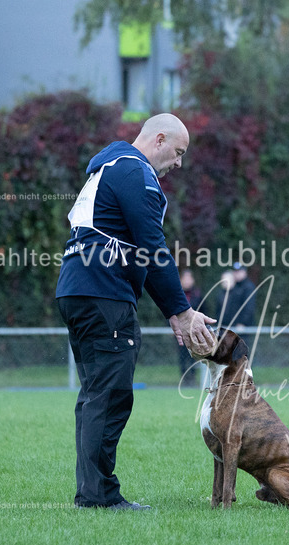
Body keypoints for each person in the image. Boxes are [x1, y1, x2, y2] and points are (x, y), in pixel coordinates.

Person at [55, 113, 216, 511]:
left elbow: (135, 249)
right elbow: (151, 246)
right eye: (178, 152)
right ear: (158, 139)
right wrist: (182, 311)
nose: (179, 163)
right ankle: (98, 496)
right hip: (103, 294)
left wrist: (173, 311)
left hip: (77, 290)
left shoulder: (106, 168)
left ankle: (93, 492)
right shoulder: (135, 171)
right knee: (109, 396)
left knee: (96, 395)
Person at [176, 268, 204, 385]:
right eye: (185, 278)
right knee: (181, 356)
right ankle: (184, 378)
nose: (187, 281)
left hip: (194, 331)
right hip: (179, 331)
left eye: (189, 278)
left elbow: (203, 310)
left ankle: (192, 378)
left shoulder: (197, 294)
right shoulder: (176, 294)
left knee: (194, 355)